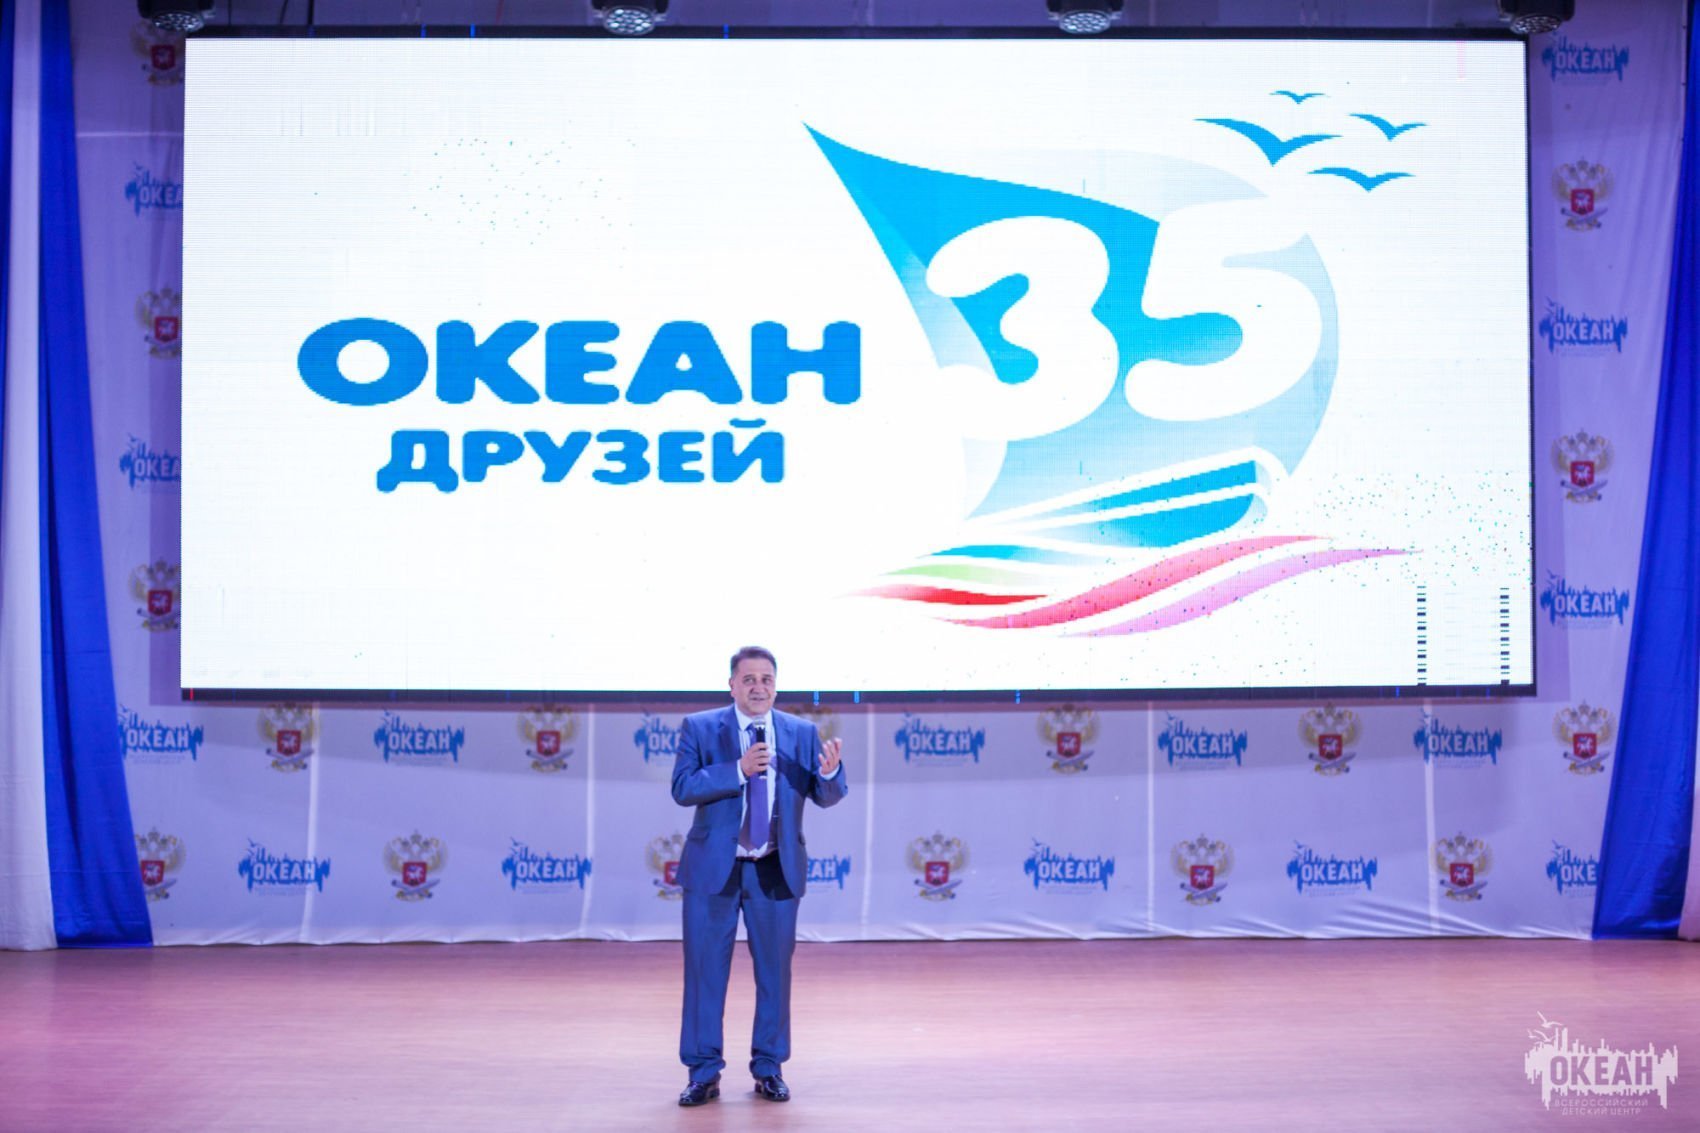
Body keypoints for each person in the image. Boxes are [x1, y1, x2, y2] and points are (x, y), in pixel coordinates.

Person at [670, 645, 847, 1106]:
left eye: (766, 679)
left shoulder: (800, 733)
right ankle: (703, 1073)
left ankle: (769, 1068)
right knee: (705, 975)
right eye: (748, 679)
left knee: (774, 975)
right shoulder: (701, 728)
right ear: (732, 685)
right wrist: (738, 770)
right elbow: (682, 787)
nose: (758, 687)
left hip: (774, 869)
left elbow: (825, 794)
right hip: (714, 872)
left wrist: (831, 774)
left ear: (776, 686)